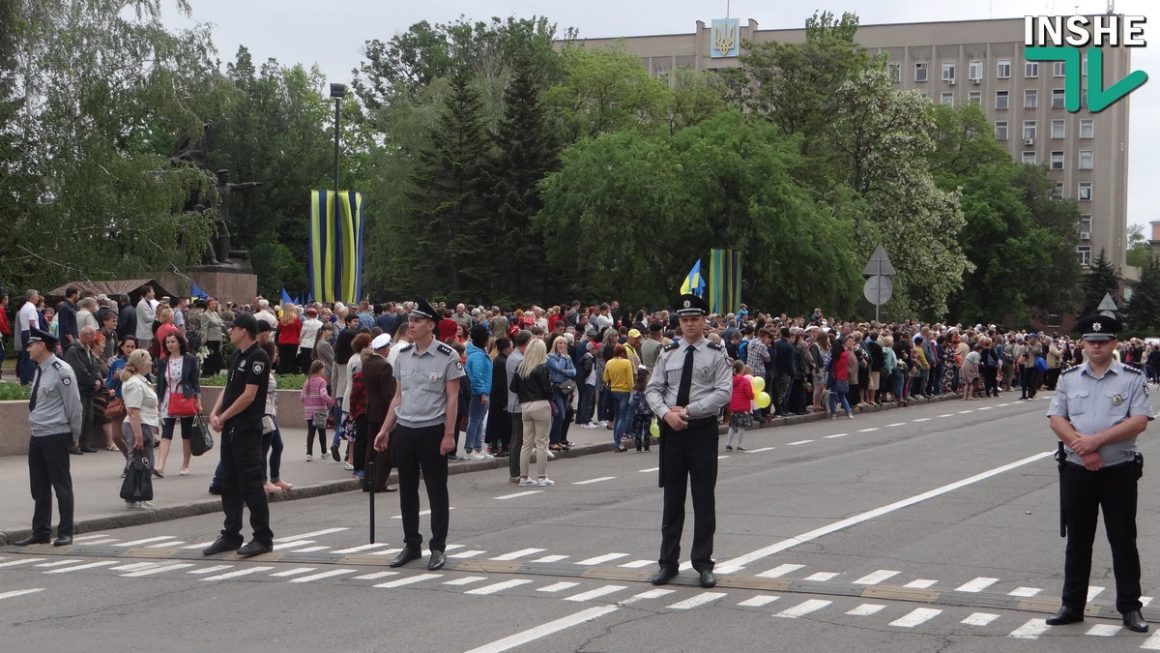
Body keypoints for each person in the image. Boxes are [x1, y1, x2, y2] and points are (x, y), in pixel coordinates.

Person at [1045, 314, 1152, 634]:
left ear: (1114, 343)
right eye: (1090, 342)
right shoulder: (1069, 377)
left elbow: (1139, 421)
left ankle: (1130, 607)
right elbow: (1056, 418)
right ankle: (1072, 605)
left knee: (1122, 540)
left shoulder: (1131, 377)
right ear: (1082, 344)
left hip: (1118, 470)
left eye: (1102, 341)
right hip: (1078, 470)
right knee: (1078, 541)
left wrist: (1095, 442)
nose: (1096, 346)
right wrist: (1084, 449)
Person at [643, 294, 732, 589]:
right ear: (678, 323)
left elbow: (723, 393)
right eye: (684, 320)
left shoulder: (717, 354)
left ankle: (703, 563)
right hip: (673, 432)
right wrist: (667, 414)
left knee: (704, 499)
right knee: (672, 500)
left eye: (694, 319)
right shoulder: (668, 354)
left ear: (704, 321)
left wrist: (690, 410)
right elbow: (653, 389)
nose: (690, 324)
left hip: (701, 430)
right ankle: (667, 563)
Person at [373, 299, 464, 571]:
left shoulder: (447, 356)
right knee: (407, 492)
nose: (411, 325)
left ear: (430, 325)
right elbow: (398, 397)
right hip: (406, 430)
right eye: (410, 320)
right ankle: (412, 544)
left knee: (436, 491)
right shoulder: (402, 356)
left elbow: (453, 398)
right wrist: (385, 429)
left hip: (433, 430)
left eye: (418, 320)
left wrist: (449, 434)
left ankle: (437, 547)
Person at [202, 312, 274, 557]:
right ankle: (231, 534)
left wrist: (224, 417)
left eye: (233, 328)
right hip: (231, 428)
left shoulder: (258, 357)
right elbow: (230, 387)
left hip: (246, 429)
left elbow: (248, 395)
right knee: (229, 483)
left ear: (244, 330)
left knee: (251, 483)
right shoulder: (237, 355)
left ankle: (262, 537)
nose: (230, 331)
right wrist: (214, 412)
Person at [15, 328, 82, 546]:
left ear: (41, 345)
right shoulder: (40, 369)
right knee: (39, 486)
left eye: (30, 344)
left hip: (56, 434)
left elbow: (74, 405)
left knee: (61, 485)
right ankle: (41, 531)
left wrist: (75, 435)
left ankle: (65, 531)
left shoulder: (62, 370)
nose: (27, 348)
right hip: (38, 435)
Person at [155, 332, 201, 477]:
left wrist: (198, 400)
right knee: (166, 433)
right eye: (168, 342)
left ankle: (185, 465)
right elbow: (160, 382)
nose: (170, 345)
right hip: (168, 399)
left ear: (180, 343)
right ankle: (160, 466)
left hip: (185, 398)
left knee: (186, 434)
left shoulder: (189, 359)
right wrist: (159, 400)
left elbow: (194, 381)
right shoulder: (163, 361)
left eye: (173, 342)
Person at [510, 338, 554, 487]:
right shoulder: (542, 367)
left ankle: (524, 477)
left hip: (525, 405)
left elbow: (513, 387)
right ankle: (542, 476)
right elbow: (547, 389)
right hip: (540, 404)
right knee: (542, 442)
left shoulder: (521, 366)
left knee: (526, 443)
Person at [120, 349, 159, 510]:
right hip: (138, 425)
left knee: (144, 462)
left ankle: (138, 495)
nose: (151, 363)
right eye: (149, 360)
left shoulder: (140, 381)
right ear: (141, 363)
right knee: (140, 462)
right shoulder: (135, 384)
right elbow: (133, 411)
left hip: (145, 424)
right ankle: (133, 496)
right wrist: (138, 436)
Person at [361, 333, 396, 493]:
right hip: (383, 412)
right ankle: (379, 482)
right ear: (384, 349)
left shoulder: (368, 363)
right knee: (384, 449)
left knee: (371, 448)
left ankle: (368, 481)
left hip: (371, 409)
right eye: (388, 347)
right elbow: (388, 394)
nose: (389, 350)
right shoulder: (385, 366)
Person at [62, 326, 102, 454]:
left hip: (88, 390)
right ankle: (74, 444)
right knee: (79, 417)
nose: (93, 340)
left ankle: (85, 443)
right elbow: (79, 371)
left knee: (88, 418)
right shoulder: (73, 351)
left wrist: (98, 380)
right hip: (79, 389)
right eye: (91, 337)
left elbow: (95, 367)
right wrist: (92, 381)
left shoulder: (87, 350)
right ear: (84, 336)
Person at [463, 324, 493, 460]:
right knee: (475, 420)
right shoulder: (478, 356)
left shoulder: (478, 353)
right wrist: (482, 393)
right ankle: (470, 449)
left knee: (478, 421)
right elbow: (476, 376)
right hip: (478, 393)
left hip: (482, 392)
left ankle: (477, 447)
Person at [301, 360, 335, 461]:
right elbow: (323, 395)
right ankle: (324, 452)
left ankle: (309, 454)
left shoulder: (307, 381)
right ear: (320, 369)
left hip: (309, 411)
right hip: (320, 410)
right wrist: (332, 401)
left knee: (311, 432)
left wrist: (309, 403)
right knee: (321, 432)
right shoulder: (322, 381)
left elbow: (302, 397)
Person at [603, 344, 634, 451]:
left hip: (613, 391)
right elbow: (630, 380)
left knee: (617, 416)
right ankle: (617, 442)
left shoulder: (609, 362)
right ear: (623, 352)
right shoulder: (626, 363)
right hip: (624, 391)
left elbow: (605, 378)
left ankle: (617, 441)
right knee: (622, 417)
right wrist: (632, 391)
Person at [725, 361, 754, 451]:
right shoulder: (745, 381)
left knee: (732, 425)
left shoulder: (730, 380)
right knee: (742, 426)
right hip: (743, 407)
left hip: (733, 407)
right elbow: (749, 394)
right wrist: (753, 395)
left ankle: (728, 443)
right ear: (742, 370)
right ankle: (739, 444)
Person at [135, 286, 156, 354]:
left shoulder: (149, 303)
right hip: (143, 334)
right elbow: (147, 318)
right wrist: (156, 316)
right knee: (143, 353)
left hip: (148, 333)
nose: (154, 293)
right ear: (148, 293)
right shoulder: (141, 304)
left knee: (146, 352)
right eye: (152, 291)